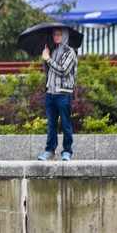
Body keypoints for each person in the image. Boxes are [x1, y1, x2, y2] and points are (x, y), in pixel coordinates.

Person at [37, 27, 77, 162]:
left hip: (63, 93)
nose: (57, 36)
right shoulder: (52, 51)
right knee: (51, 125)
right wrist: (45, 59)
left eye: (59, 34)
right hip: (50, 93)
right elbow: (49, 73)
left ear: (64, 35)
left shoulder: (70, 52)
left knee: (66, 124)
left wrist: (48, 59)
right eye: (54, 34)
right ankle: (49, 150)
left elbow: (63, 70)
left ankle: (67, 151)